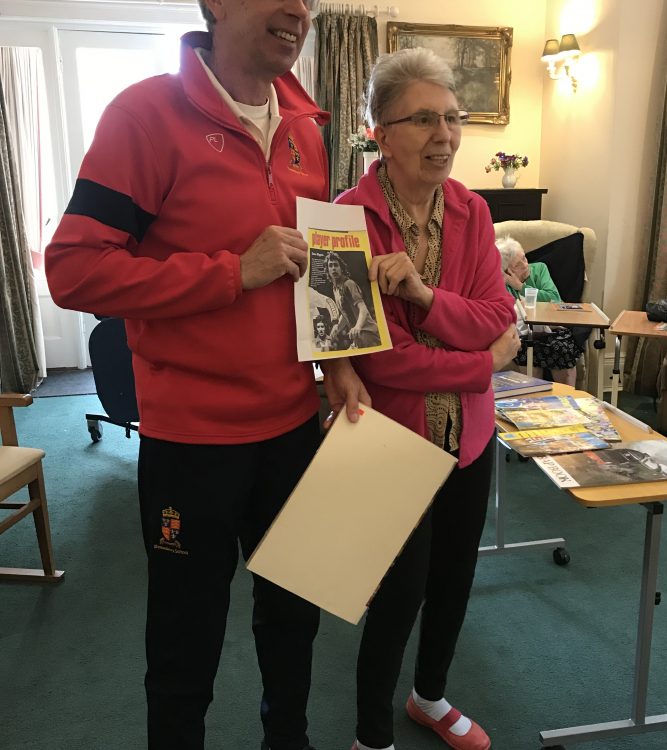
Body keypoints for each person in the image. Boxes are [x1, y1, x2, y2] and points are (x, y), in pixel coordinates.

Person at [43, 1, 369, 749]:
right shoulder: (145, 115)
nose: (300, 9)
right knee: (186, 635)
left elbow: (317, 263)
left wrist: (340, 362)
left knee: (295, 615)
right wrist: (230, 273)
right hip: (193, 443)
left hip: (294, 426)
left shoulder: (305, 126)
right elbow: (73, 270)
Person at [335, 48, 520, 750]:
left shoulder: (473, 212)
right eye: (422, 119)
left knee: (453, 578)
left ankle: (430, 697)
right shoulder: (343, 220)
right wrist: (479, 368)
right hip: (387, 438)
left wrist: (418, 293)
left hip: (466, 438)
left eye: (452, 118)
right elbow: (375, 357)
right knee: (396, 594)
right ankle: (369, 735)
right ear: (379, 131)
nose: (444, 135)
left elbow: (494, 317)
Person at [496, 235, 583, 386]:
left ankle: (567, 400)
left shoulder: (540, 269)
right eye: (519, 263)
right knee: (527, 351)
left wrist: (520, 287)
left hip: (552, 331)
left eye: (524, 257)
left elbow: (555, 299)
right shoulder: (500, 282)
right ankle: (534, 403)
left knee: (562, 351)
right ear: (507, 270)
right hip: (524, 335)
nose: (526, 264)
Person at [325, 251, 381, 349]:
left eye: (336, 265)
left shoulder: (349, 284)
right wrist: (337, 327)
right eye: (330, 265)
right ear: (327, 270)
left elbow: (363, 309)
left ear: (341, 268)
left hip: (368, 333)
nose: (333, 268)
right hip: (356, 336)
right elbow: (344, 313)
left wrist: (358, 327)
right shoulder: (335, 289)